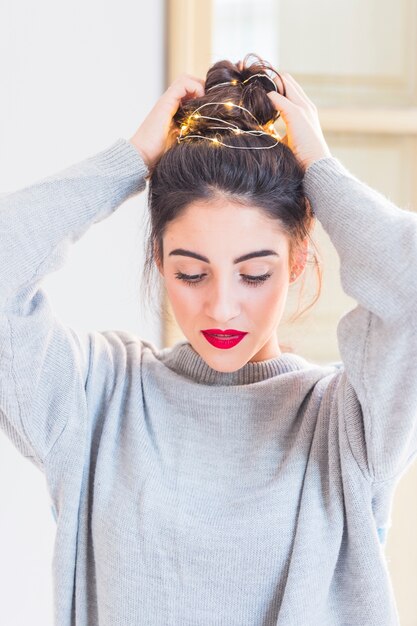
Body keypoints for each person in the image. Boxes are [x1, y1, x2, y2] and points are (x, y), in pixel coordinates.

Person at [1, 53, 416, 626]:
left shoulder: (348, 430)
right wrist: (129, 161)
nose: (222, 306)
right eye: (191, 273)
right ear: (159, 258)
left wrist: (321, 167)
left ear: (297, 261)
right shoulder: (96, 401)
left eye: (254, 274)